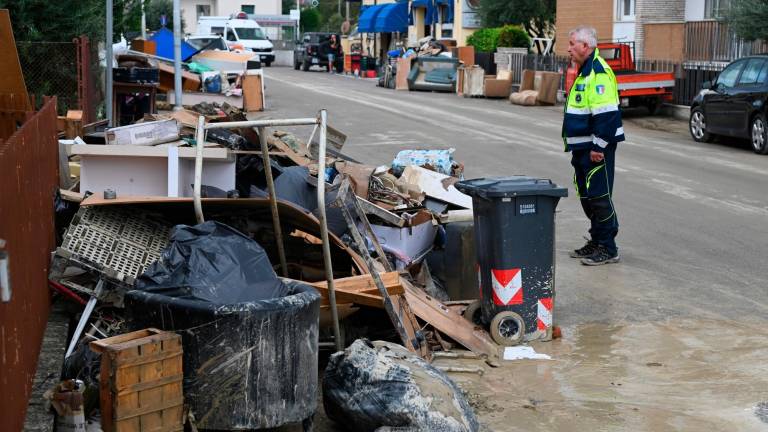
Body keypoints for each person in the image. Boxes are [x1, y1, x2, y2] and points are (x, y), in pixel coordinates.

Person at [562, 26, 624, 265]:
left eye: (572, 44)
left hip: (596, 149)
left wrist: (598, 147)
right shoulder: (584, 71)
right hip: (582, 148)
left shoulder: (598, 73)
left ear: (585, 46)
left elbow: (607, 115)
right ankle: (597, 241)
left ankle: (608, 248)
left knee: (599, 197)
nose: (568, 49)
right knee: (588, 197)